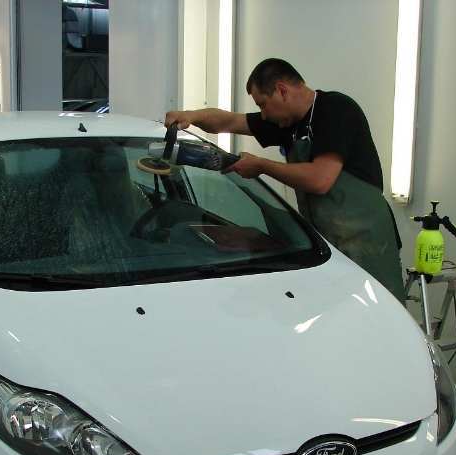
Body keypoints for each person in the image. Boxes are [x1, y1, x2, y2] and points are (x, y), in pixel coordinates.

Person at [164, 58, 405, 302]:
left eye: (263, 104)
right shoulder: (288, 124)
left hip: (367, 242)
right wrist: (191, 116)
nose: (264, 114)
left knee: (378, 311)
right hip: (328, 243)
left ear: (282, 91)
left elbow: (321, 179)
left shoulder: (335, 110)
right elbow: (229, 121)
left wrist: (261, 166)